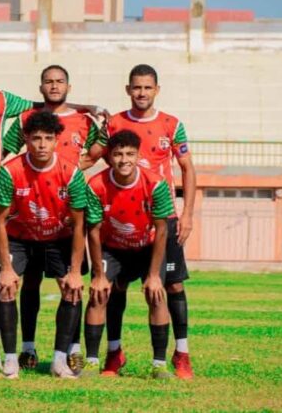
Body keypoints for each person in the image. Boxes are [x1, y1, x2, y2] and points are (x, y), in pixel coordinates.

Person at [102, 64, 196, 379]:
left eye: (147, 87)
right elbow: (96, 156)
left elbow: (187, 168)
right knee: (116, 285)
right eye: (136, 87)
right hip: (122, 221)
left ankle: (181, 354)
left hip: (163, 219)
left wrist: (187, 213)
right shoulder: (114, 123)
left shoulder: (171, 124)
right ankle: (114, 353)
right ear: (128, 89)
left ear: (157, 90)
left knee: (173, 285)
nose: (141, 93)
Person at [14, 64, 104, 373]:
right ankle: (27, 347)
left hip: (67, 215)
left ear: (69, 86)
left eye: (60, 81)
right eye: (48, 82)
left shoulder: (84, 121)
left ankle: (72, 350)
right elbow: (7, 151)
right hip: (31, 213)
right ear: (40, 87)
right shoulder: (26, 119)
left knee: (71, 282)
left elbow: (100, 149)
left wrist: (74, 168)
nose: (54, 86)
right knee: (30, 283)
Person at [0, 111, 87, 379]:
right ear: (26, 139)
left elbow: (79, 224)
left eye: (48, 138)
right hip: (19, 237)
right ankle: (11, 359)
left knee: (71, 289)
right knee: (6, 287)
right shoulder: (10, 171)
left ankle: (59, 360)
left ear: (57, 140)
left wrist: (75, 271)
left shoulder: (71, 173)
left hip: (57, 238)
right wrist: (6, 267)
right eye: (36, 138)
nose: (42, 144)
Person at [81, 129, 175, 379]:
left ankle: (159, 365)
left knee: (156, 295)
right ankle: (92, 361)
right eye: (118, 154)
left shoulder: (156, 183)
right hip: (112, 248)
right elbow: (93, 230)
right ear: (110, 157)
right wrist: (98, 275)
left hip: (146, 248)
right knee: (99, 294)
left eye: (130, 154)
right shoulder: (96, 185)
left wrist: (153, 275)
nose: (124, 160)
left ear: (138, 156)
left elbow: (162, 229)